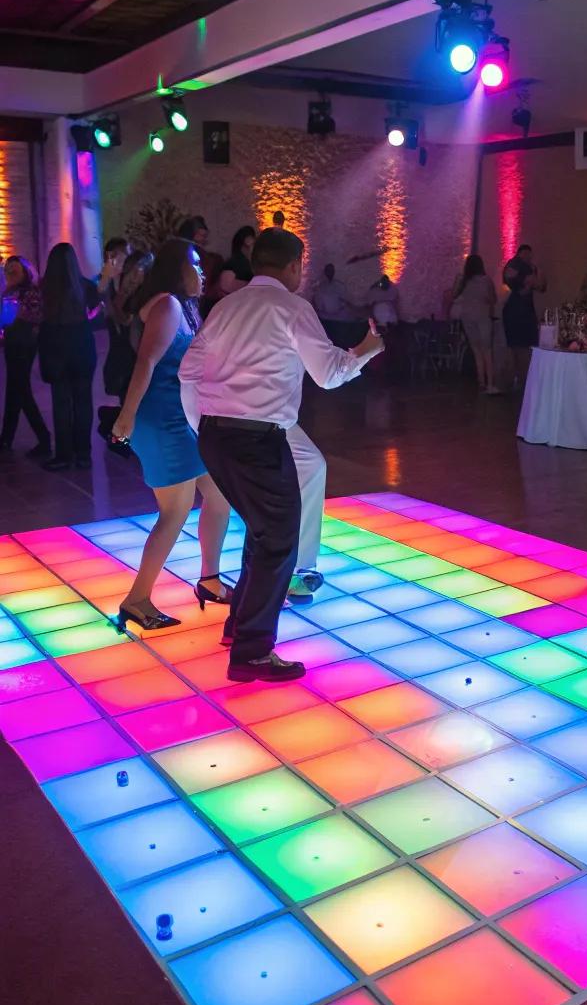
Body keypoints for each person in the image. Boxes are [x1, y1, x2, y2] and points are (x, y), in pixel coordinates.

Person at [178, 227, 384, 683]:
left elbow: (188, 371)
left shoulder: (225, 306)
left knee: (263, 534)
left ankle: (239, 630)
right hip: (256, 440)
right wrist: (365, 351)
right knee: (278, 543)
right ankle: (251, 653)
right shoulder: (292, 307)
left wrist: (204, 428)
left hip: (217, 435)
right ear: (294, 266)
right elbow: (328, 374)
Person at [110, 239, 231, 631]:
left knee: (219, 494)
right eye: (194, 265)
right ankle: (137, 599)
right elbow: (146, 362)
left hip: (182, 419)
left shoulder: (182, 306)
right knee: (175, 510)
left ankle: (210, 579)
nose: (201, 273)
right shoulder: (168, 305)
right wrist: (126, 416)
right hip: (163, 421)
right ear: (174, 268)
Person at [38, 243, 99, 472]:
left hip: (54, 347)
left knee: (61, 402)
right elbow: (95, 314)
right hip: (81, 345)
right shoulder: (84, 287)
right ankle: (84, 454)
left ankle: (63, 455)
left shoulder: (46, 289)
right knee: (84, 401)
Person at [0, 256, 50, 459]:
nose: (11, 273)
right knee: (14, 389)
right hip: (12, 343)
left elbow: (37, 315)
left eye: (15, 270)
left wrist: (17, 311)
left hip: (24, 344)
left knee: (20, 389)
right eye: (8, 270)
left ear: (25, 272)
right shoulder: (9, 291)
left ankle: (44, 438)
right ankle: (6, 439)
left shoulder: (30, 291)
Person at [104, 250, 153, 402]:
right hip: (126, 364)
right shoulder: (121, 295)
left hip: (128, 363)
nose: (134, 277)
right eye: (131, 272)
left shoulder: (141, 299)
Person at [450, 254, 499, 392]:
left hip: (467, 317)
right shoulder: (486, 281)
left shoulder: (463, 281)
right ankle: (490, 384)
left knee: (476, 351)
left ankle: (481, 382)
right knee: (487, 351)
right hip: (482, 317)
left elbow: (453, 296)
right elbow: (492, 299)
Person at [502, 244, 546, 389]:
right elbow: (538, 285)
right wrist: (531, 277)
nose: (529, 257)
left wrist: (535, 275)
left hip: (520, 311)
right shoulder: (518, 265)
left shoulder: (524, 267)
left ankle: (518, 380)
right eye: (526, 254)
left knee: (519, 347)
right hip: (518, 311)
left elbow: (540, 286)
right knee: (518, 347)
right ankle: (519, 380)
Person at [217, 226, 256, 296]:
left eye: (253, 244)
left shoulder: (231, 265)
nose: (251, 249)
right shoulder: (233, 266)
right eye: (247, 246)